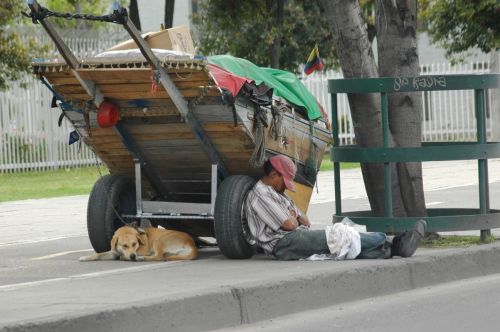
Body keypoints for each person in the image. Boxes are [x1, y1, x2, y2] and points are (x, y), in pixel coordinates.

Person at [245, 154, 426, 261]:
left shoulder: (277, 193)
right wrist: (293, 217)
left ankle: (390, 250)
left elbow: (305, 221)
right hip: (282, 243)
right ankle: (393, 241)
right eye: (283, 181)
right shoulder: (261, 195)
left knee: (339, 247)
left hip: (294, 236)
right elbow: (290, 224)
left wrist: (294, 216)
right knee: (335, 236)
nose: (285, 186)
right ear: (273, 174)